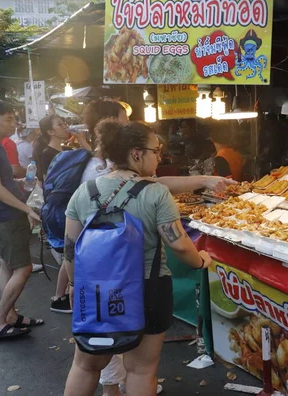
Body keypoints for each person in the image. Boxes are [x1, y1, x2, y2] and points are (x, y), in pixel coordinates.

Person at [63, 120, 212, 396]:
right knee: (141, 369)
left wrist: (74, 285)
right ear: (136, 153)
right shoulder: (156, 193)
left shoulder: (85, 192)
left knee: (85, 365)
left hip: (96, 291)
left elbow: (71, 249)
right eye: (156, 151)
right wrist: (201, 260)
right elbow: (179, 245)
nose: (160, 157)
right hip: (148, 288)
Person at [0, 101, 43, 341]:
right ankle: (0, 319)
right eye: (8, 119)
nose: (13, 124)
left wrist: (22, 186)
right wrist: (27, 208)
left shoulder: (1, 147)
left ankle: (10, 316)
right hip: (5, 216)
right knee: (23, 268)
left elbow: (5, 184)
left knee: (7, 265)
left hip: (8, 214)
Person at [33, 115, 91, 185]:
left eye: (64, 123)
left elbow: (91, 154)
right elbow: (48, 181)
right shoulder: (47, 154)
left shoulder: (67, 149)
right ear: (51, 132)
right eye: (60, 125)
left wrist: (79, 138)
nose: (65, 126)